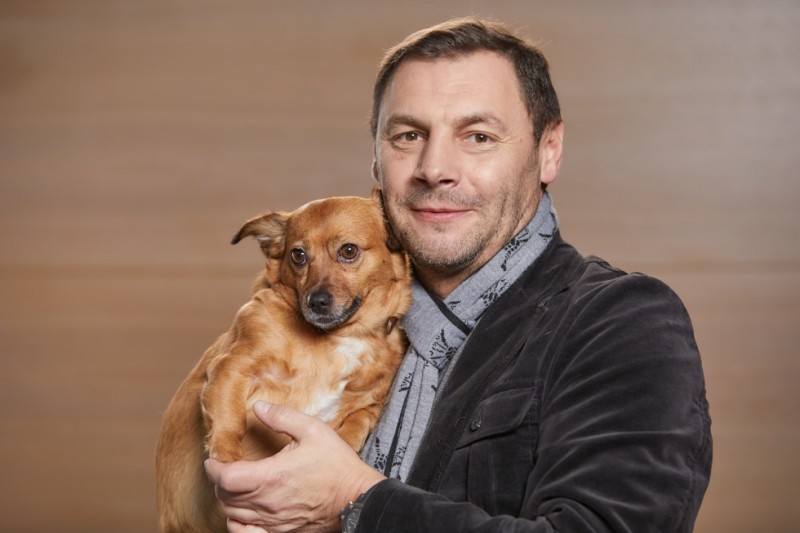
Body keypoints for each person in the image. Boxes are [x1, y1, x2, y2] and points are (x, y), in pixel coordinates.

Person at [205, 17, 712, 532]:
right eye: (408, 135)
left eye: (478, 136)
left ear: (548, 150)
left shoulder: (622, 323)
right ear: (376, 162)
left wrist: (355, 500)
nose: (435, 168)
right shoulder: (316, 319)